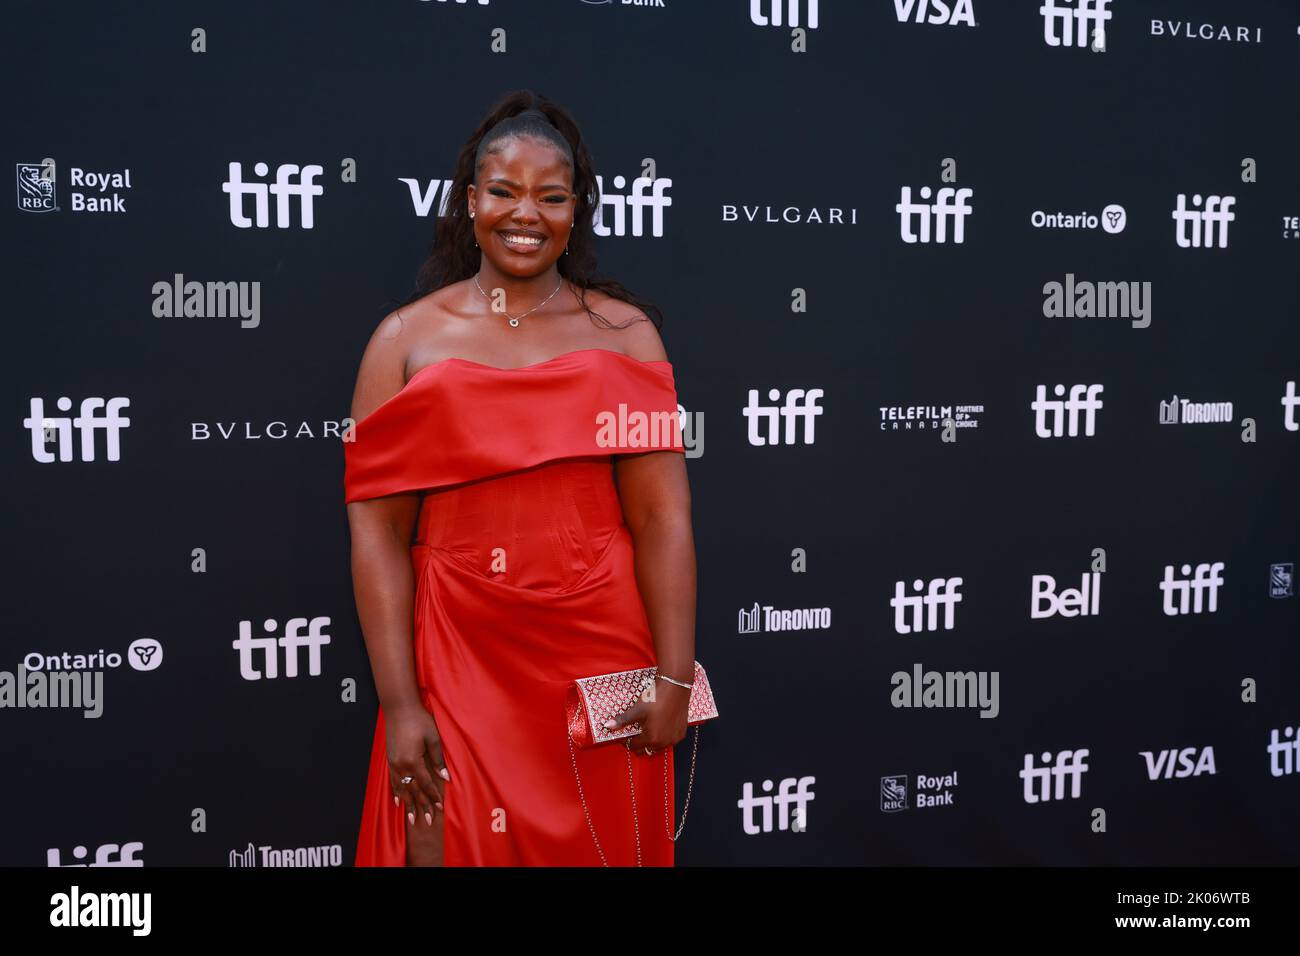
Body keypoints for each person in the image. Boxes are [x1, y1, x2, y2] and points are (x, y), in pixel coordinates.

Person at [343, 92, 697, 866]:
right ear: (470, 201)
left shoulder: (627, 336)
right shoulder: (405, 341)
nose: (524, 213)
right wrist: (400, 702)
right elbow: (376, 530)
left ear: (577, 209)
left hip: (598, 654)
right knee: (442, 842)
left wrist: (673, 676)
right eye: (502, 190)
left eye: (551, 195)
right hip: (458, 657)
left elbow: (661, 519)